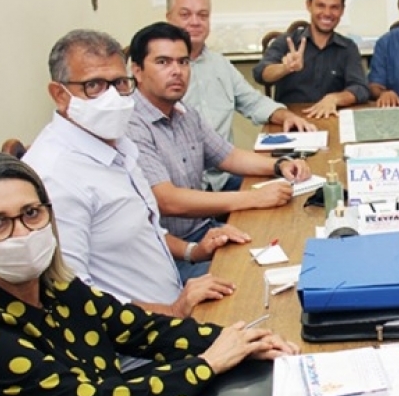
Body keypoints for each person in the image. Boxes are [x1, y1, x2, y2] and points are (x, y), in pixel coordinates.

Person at [0, 151, 298, 396]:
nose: (22, 234)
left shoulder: (59, 288)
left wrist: (238, 340)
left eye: (31, 213)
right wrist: (208, 363)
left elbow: (143, 330)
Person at [24, 29, 241, 315]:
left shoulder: (118, 144)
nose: (112, 97)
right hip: (137, 346)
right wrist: (175, 310)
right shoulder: (55, 177)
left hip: (173, 305)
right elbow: (74, 300)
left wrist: (193, 251)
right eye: (94, 86)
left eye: (118, 83)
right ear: (59, 94)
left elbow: (143, 228)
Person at [126, 22, 310, 281]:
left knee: (292, 248)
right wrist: (253, 198)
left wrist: (280, 165)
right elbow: (167, 201)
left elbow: (229, 156)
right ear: (137, 71)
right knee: (254, 281)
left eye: (183, 62)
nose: (177, 71)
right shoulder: (131, 124)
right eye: (163, 62)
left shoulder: (184, 113)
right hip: (170, 255)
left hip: (206, 232)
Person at [165, 0, 316, 193]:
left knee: (298, 192)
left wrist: (286, 116)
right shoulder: (160, 74)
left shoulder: (220, 64)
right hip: (183, 187)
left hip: (224, 177)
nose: (195, 22)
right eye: (185, 15)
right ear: (169, 17)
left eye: (202, 15)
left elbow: (253, 102)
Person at [253, 0, 369, 116]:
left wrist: (334, 98)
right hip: (290, 119)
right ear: (309, 5)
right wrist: (284, 68)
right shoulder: (287, 41)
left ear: (342, 11)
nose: (327, 13)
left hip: (332, 117)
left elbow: (361, 88)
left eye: (334, 7)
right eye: (320, 5)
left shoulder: (348, 48)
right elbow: (260, 73)